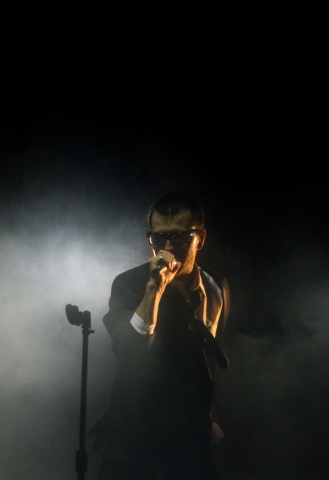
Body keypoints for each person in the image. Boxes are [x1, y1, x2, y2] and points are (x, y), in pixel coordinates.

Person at [90, 192, 230, 480]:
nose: (167, 246)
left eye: (179, 237)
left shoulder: (217, 285)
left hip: (192, 445)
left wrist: (208, 420)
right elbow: (131, 352)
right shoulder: (130, 284)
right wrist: (154, 289)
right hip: (135, 446)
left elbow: (205, 361)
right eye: (158, 238)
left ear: (200, 239)